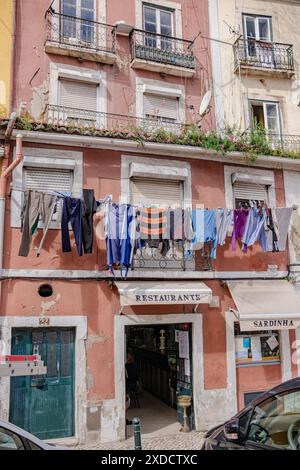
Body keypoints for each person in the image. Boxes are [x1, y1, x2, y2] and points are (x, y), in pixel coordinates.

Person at [125, 351, 139, 425]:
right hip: (132, 383)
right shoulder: (134, 365)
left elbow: (128, 377)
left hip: (129, 384)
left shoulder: (127, 366)